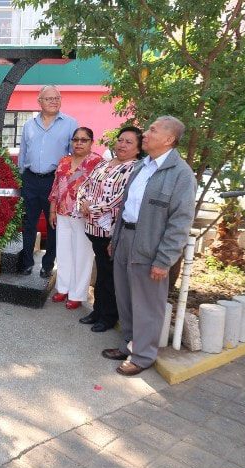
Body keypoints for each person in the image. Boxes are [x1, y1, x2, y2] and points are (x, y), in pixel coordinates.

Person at [102, 116, 196, 376]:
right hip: (125, 240)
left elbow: (180, 223)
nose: (146, 133)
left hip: (151, 247)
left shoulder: (181, 175)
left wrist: (164, 260)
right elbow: (126, 207)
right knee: (125, 297)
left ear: (168, 139)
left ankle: (143, 356)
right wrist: (116, 238)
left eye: (152, 130)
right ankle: (131, 343)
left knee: (148, 304)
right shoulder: (142, 166)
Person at [77, 126, 142, 332]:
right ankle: (97, 310)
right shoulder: (104, 164)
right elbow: (84, 186)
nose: (122, 145)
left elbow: (119, 200)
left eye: (129, 142)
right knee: (102, 272)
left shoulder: (134, 169)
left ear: (139, 148)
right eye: (121, 140)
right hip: (92, 228)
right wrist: (83, 203)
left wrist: (92, 208)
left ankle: (108, 316)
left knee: (110, 274)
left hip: (111, 232)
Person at [16, 85, 78, 277]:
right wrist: (22, 176)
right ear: (40, 101)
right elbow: (23, 153)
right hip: (30, 179)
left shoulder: (70, 123)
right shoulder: (29, 125)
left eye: (57, 98)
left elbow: (75, 154)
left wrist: (69, 183)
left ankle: (47, 265)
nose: (53, 101)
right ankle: (26, 263)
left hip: (55, 181)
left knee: (53, 225)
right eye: (49, 98)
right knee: (28, 223)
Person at [48, 127, 103, 309]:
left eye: (84, 140)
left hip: (83, 216)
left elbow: (100, 190)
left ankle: (78, 294)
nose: (79, 143)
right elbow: (56, 187)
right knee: (63, 253)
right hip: (63, 213)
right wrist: (52, 210)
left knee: (82, 255)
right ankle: (63, 288)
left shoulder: (96, 162)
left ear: (91, 142)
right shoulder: (64, 161)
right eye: (76, 139)